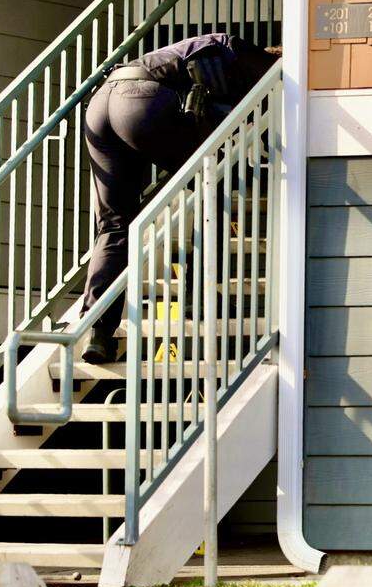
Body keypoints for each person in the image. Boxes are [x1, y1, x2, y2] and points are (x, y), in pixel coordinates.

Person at [81, 33, 279, 364]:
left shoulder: (207, 51)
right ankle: (199, 294)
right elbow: (270, 105)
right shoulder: (259, 62)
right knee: (213, 181)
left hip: (102, 102)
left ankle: (97, 331)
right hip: (142, 100)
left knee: (115, 223)